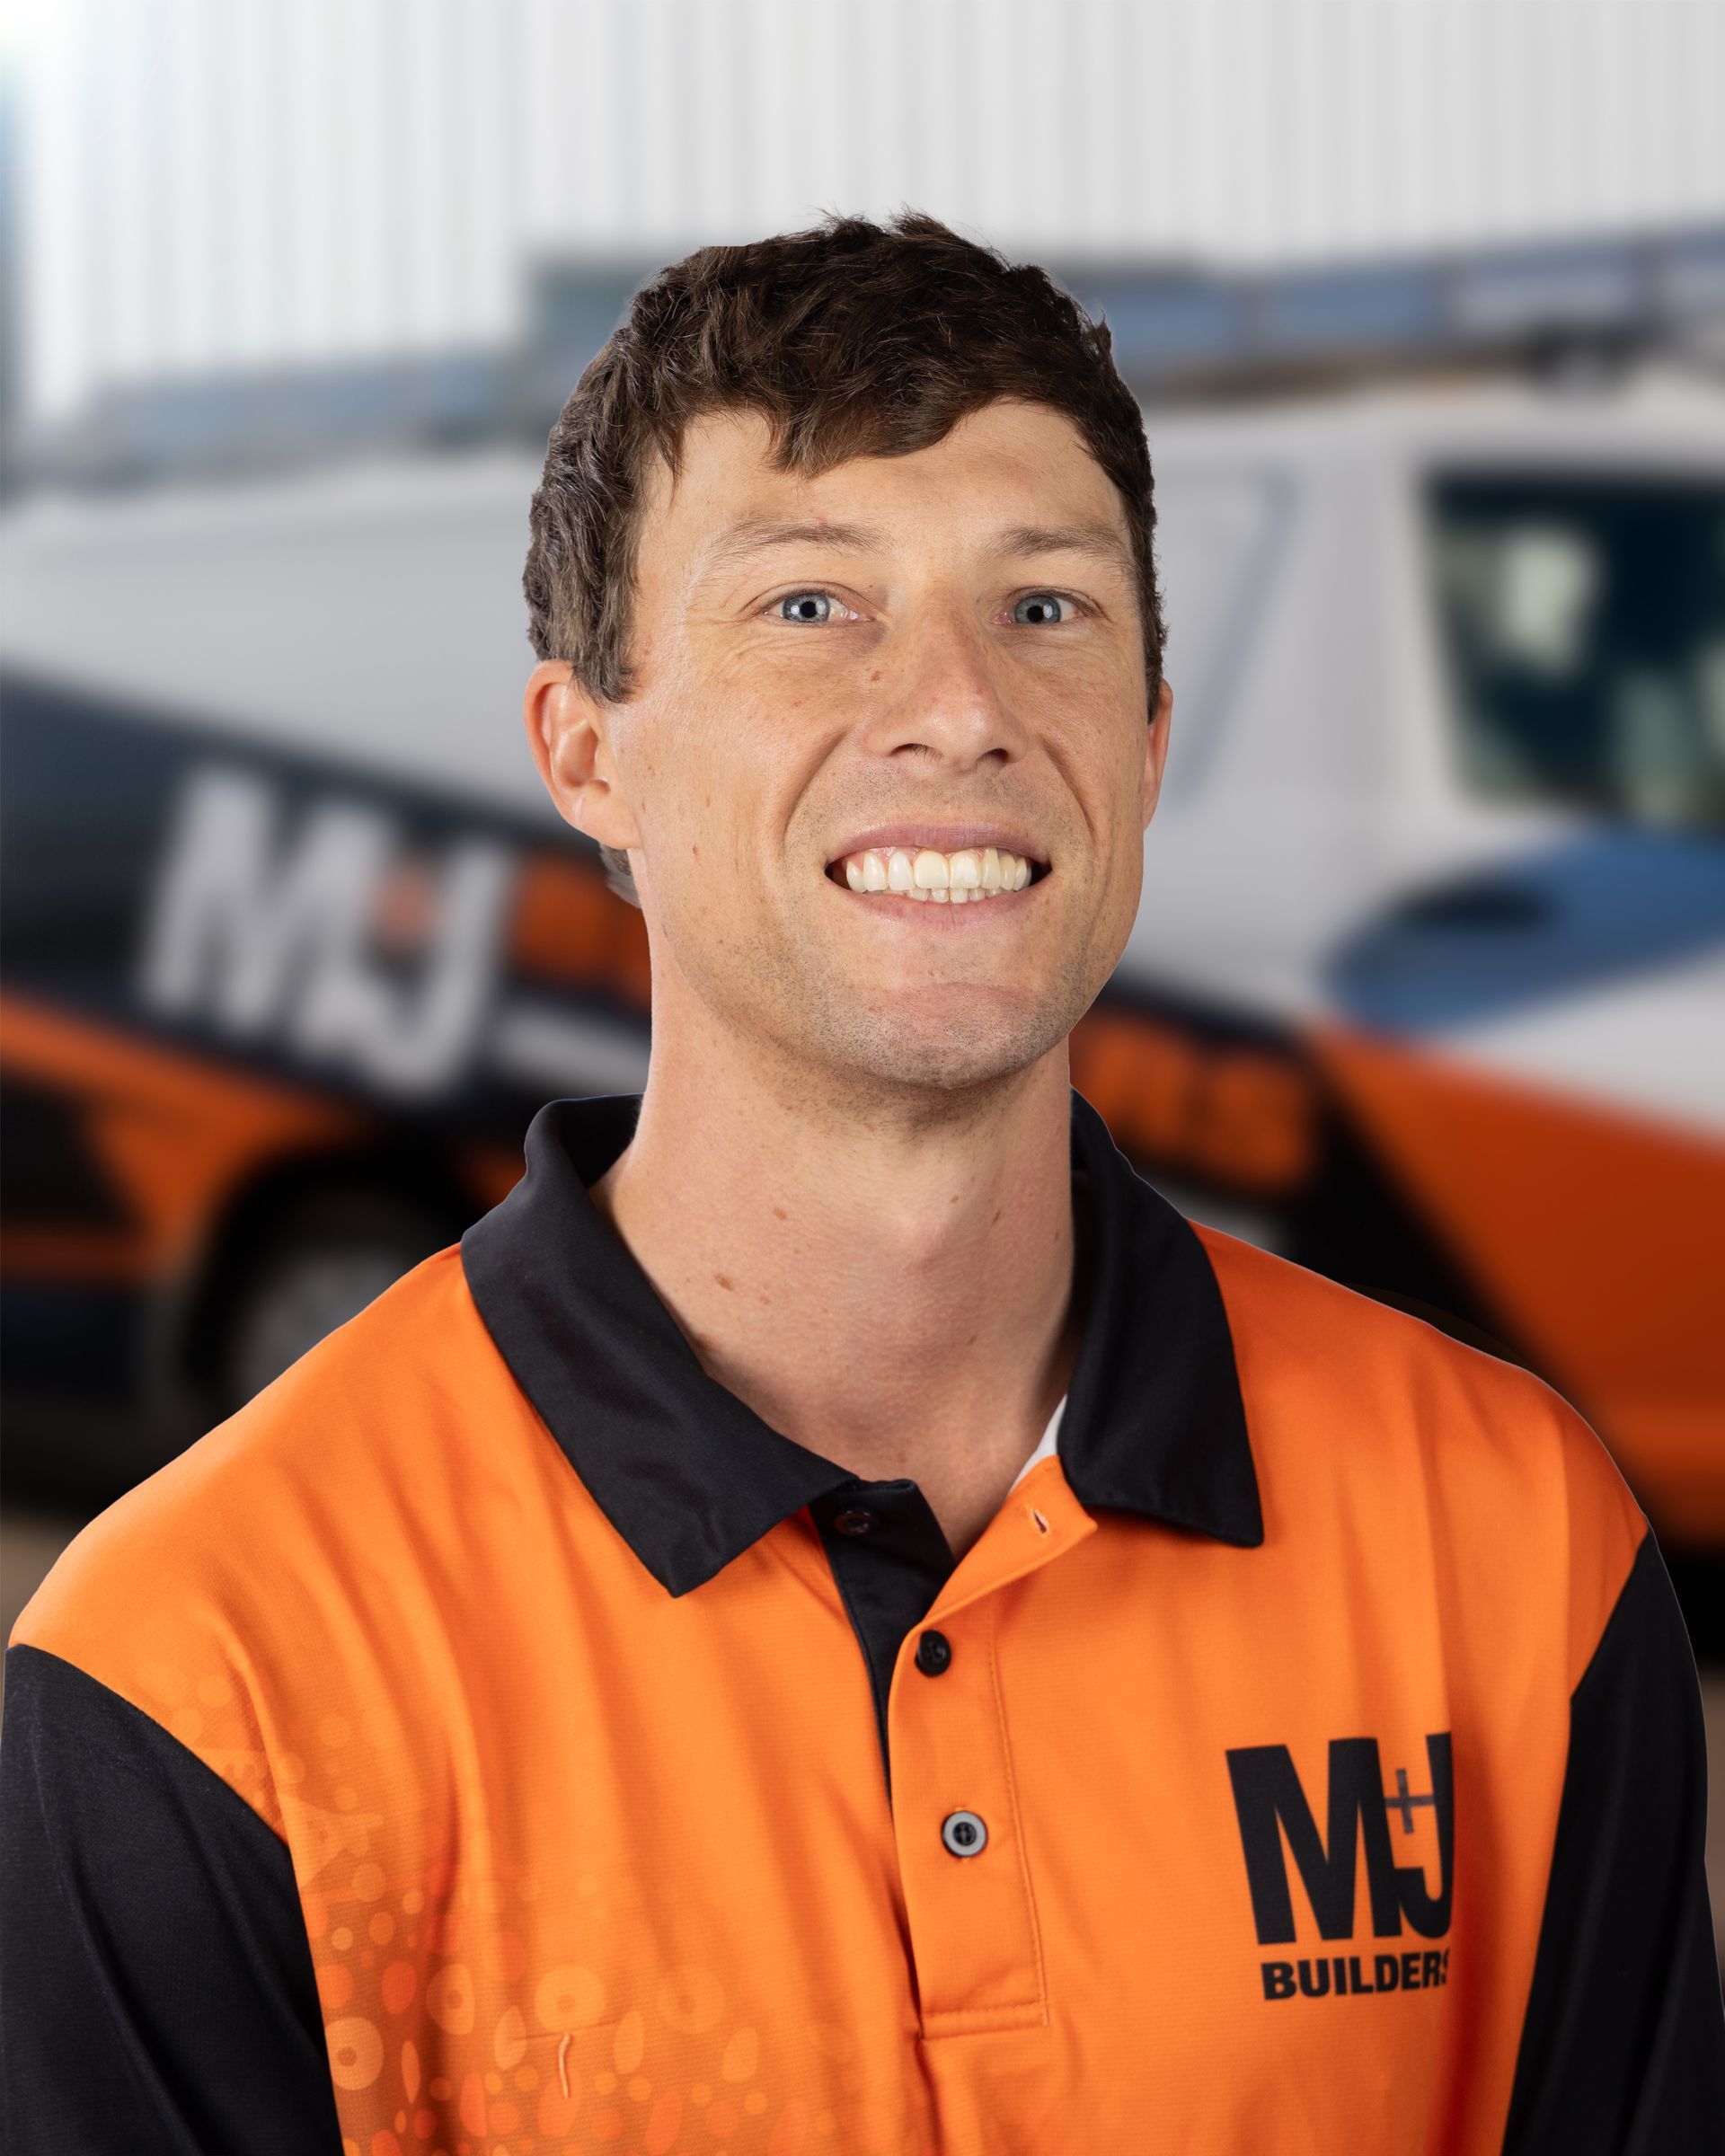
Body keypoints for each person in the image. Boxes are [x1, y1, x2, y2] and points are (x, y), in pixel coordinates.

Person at [4, 210, 1722, 2154]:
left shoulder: (1511, 1555)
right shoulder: (204, 1669)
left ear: (1147, 746)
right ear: (585, 756)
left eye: (1048, 606)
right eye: (812, 604)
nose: (963, 704)